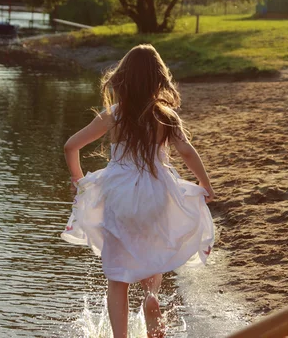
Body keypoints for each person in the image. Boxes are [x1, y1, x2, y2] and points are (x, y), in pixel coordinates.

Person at [61, 44, 215, 338]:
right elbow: (186, 151)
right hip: (157, 192)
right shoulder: (166, 116)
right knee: (151, 253)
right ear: (159, 79)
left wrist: (80, 182)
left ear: (123, 78)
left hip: (119, 194)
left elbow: (71, 146)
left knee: (117, 279)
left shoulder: (113, 115)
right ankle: (151, 296)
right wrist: (205, 184)